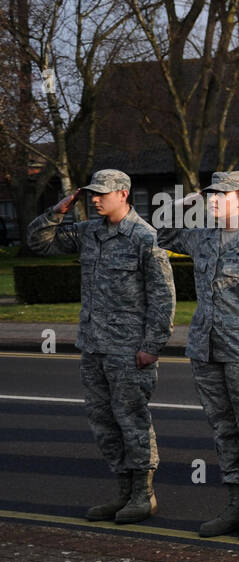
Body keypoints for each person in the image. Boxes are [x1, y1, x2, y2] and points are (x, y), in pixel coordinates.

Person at [27, 169, 176, 523]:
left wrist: (152, 345)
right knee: (102, 420)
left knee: (132, 419)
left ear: (123, 194)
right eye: (92, 194)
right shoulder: (90, 232)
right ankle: (123, 492)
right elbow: (39, 242)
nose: (95, 200)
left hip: (129, 349)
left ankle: (144, 494)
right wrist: (59, 209)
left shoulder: (145, 237)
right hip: (94, 345)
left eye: (102, 194)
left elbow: (163, 298)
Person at [158, 171, 239, 541]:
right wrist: (189, 198)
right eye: (211, 195)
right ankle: (234, 503)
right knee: (223, 428)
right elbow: (161, 231)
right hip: (207, 347)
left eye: (222, 196)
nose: (213, 201)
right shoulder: (202, 236)